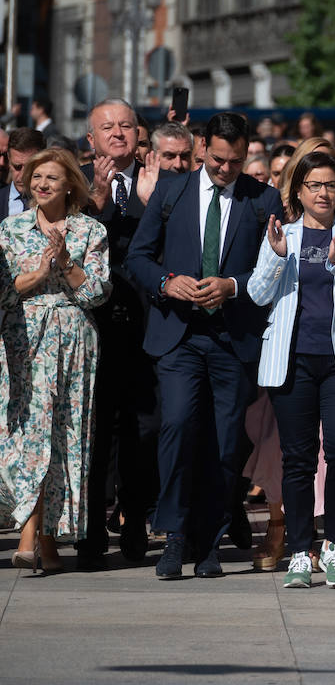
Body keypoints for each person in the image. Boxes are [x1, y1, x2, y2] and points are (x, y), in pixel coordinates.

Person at [126, 112, 283, 580]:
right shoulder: (172, 192)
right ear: (201, 148)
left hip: (232, 339)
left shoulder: (263, 199)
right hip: (179, 335)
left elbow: (275, 270)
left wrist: (233, 286)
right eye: (217, 159)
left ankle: (210, 543)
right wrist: (167, 282)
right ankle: (174, 535)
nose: (225, 169)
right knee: (176, 426)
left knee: (225, 442)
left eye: (235, 162)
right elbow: (137, 255)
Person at [248, 150, 335, 589]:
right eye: (315, 185)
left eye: (330, 185)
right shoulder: (281, 234)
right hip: (293, 359)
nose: (324, 193)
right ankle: (300, 550)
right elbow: (256, 294)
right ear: (299, 192)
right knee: (298, 459)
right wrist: (274, 255)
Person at [0, 149, 111, 572]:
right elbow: (6, 291)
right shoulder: (10, 230)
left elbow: (97, 293)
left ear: (70, 185)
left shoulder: (90, 231)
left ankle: (45, 537)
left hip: (73, 340)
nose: (43, 184)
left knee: (62, 436)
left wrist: (65, 261)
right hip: (23, 339)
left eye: (52, 177)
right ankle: (31, 532)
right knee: (28, 435)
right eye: (36, 177)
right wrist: (42, 271)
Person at [78, 100, 159, 568]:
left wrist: (149, 205)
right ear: (91, 139)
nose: (118, 133)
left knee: (142, 433)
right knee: (96, 435)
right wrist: (99, 204)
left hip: (148, 327)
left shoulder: (161, 185)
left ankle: (134, 523)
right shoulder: (78, 185)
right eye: (107, 127)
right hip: (95, 328)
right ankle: (91, 533)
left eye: (126, 126)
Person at [4, 128, 45, 220]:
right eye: (17, 167)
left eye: (29, 168)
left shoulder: (57, 202)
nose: (23, 176)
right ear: (9, 159)